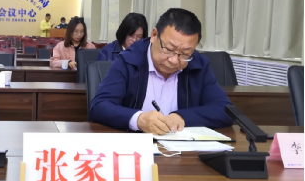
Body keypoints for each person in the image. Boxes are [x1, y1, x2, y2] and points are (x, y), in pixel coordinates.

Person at [91, 8, 233, 135]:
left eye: (185, 53)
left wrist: (182, 117)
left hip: (182, 151)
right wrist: (139, 119)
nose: (174, 60)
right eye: (169, 49)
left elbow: (226, 110)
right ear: (154, 35)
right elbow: (99, 107)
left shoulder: (198, 65)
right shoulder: (128, 60)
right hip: (137, 147)